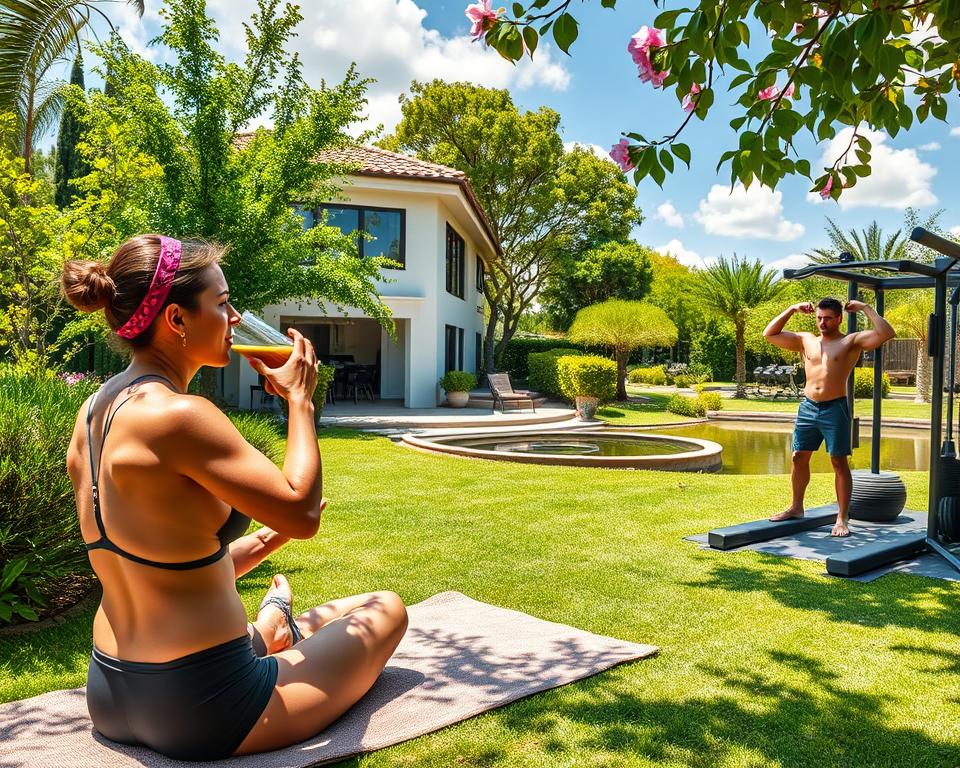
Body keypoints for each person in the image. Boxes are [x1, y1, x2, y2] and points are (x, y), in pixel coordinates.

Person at [61, 234, 408, 761]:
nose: (236, 318)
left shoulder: (95, 410)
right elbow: (304, 509)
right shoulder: (179, 415)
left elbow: (160, 558)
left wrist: (265, 541)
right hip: (209, 706)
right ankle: (269, 631)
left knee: (345, 611)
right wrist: (299, 402)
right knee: (385, 609)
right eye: (222, 305)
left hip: (110, 690)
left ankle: (272, 624)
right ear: (177, 320)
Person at [762, 297, 896, 537]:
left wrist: (866, 308)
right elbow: (769, 334)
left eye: (828, 318)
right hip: (808, 407)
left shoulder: (850, 341)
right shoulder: (806, 340)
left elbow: (886, 333)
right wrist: (792, 308)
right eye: (819, 318)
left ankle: (842, 518)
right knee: (798, 457)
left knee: (838, 461)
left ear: (839, 318)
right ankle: (796, 507)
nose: (822, 323)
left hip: (835, 408)